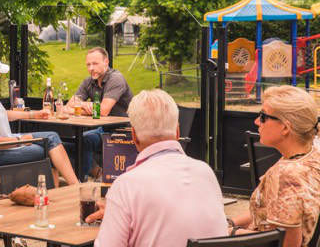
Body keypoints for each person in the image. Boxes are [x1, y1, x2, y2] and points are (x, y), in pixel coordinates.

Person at [89, 89, 226, 247]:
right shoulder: (205, 173)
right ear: (177, 131)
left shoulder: (127, 186)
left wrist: (118, 212)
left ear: (134, 136)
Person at [0, 55, 80, 186]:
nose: (1, 75)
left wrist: (35, 114)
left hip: (5, 143)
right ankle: (70, 188)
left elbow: (1, 114)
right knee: (49, 148)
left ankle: (70, 186)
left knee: (52, 137)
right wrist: (21, 140)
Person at [228, 86, 320, 247]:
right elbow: (267, 210)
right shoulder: (309, 155)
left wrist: (232, 233)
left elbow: (284, 243)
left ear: (285, 127)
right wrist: (229, 221)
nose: (257, 122)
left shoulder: (288, 176)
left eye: (263, 116)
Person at [66, 47, 134, 178]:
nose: (91, 68)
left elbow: (103, 110)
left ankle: (82, 179)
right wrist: (87, 105)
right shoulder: (88, 82)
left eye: (95, 64)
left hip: (126, 132)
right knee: (74, 142)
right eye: (88, 64)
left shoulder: (116, 79)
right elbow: (68, 107)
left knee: (84, 141)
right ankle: (94, 174)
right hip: (105, 129)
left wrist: (81, 106)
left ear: (106, 62)